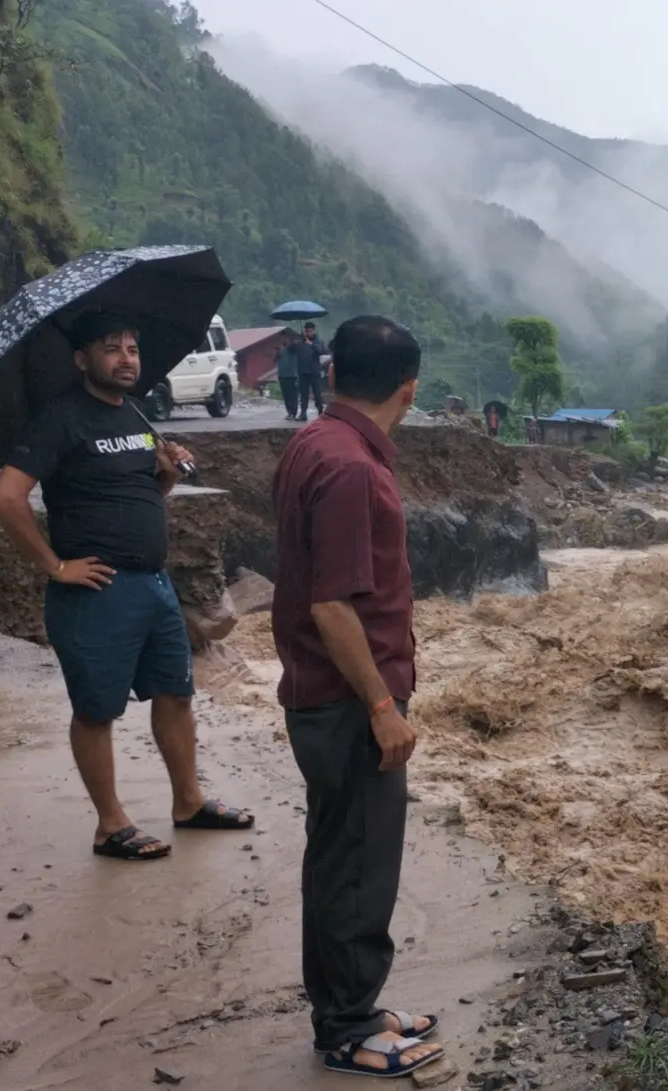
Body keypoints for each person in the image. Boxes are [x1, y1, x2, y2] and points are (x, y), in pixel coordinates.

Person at [0, 310, 254, 861]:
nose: (126, 358)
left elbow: (142, 499)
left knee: (177, 694)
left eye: (132, 348)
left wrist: (162, 473)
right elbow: (6, 497)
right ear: (82, 360)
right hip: (95, 592)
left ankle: (188, 804)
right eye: (111, 349)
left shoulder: (135, 415)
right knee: (96, 708)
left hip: (154, 584)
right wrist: (55, 566)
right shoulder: (59, 419)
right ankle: (111, 825)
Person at [271, 315, 445, 1078]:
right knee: (358, 861)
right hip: (347, 700)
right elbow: (333, 606)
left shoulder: (316, 442)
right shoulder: (351, 469)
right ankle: (347, 1026)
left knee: (338, 851)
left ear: (331, 371)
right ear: (409, 390)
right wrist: (382, 706)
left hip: (325, 692)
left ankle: (354, 1002)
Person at [294, 322, 328, 420]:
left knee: (317, 394)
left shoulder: (318, 341)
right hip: (302, 371)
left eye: (309, 331)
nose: (307, 333)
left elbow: (321, 351)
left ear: (314, 331)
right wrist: (299, 339)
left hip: (314, 371)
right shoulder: (301, 341)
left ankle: (320, 412)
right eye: (306, 331)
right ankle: (303, 413)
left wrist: (311, 344)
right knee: (303, 394)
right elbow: (293, 349)